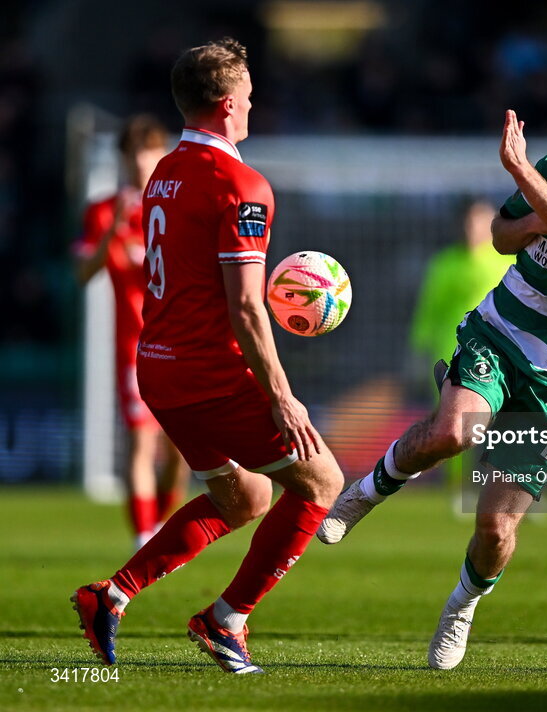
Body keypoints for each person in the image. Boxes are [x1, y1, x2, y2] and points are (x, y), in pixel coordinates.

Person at [317, 81, 547, 669]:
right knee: (451, 433)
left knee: (493, 526)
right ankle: (363, 493)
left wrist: (520, 174)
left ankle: (462, 605)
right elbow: (501, 235)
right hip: (501, 332)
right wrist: (534, 211)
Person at [71, 37, 343, 674]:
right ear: (226, 105)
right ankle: (226, 620)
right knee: (321, 482)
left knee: (243, 498)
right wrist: (282, 396)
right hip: (208, 374)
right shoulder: (241, 185)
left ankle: (109, 597)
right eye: (248, 96)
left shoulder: (163, 171)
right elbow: (248, 308)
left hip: (158, 367)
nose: (254, 105)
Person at [73, 115, 191, 550]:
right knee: (142, 441)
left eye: (150, 152)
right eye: (134, 153)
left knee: (181, 453)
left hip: (182, 343)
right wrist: (110, 234)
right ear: (124, 159)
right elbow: (84, 273)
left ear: (162, 155)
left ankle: (158, 526)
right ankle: (145, 538)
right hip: (136, 345)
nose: (142, 162)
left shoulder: (175, 207)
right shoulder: (104, 210)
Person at [407, 197, 514, 508]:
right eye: (467, 222)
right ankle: (456, 488)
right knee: (454, 423)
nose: (472, 229)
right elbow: (427, 311)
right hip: (449, 351)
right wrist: (417, 350)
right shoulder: (444, 263)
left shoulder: (506, 262)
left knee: (509, 424)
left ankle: (513, 491)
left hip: (501, 355)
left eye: (479, 222)